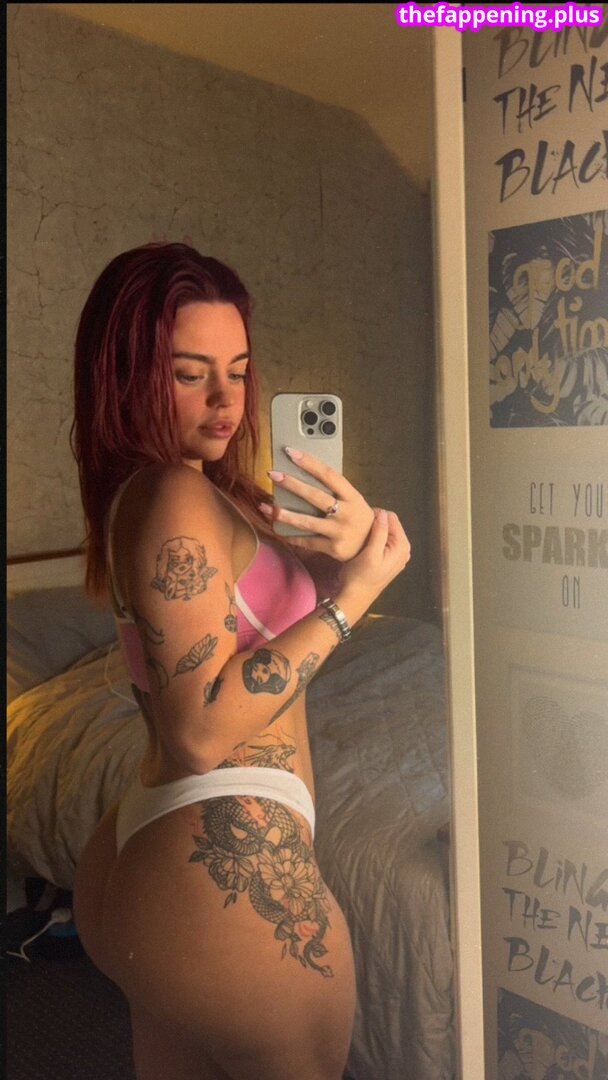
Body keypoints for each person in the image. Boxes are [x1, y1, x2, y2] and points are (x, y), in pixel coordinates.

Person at [71, 241, 411, 1080]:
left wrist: (341, 561)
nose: (226, 400)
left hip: (167, 858)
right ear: (128, 379)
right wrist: (349, 601)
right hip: (224, 864)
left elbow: (257, 637)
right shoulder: (172, 494)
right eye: (191, 375)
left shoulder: (201, 490)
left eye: (240, 370)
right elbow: (199, 730)